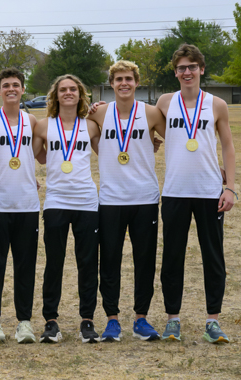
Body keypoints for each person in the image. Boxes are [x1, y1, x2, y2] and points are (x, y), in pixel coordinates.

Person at [154, 44, 236, 344]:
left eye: (192, 67)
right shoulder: (164, 102)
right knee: (172, 257)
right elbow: (136, 117)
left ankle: (212, 320)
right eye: (181, 68)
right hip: (175, 191)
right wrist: (98, 110)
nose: (186, 72)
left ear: (201, 69)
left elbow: (227, 146)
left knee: (213, 257)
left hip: (209, 191)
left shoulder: (216, 104)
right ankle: (172, 319)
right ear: (175, 72)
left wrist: (230, 187)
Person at [87, 61, 166, 342]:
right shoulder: (99, 113)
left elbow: (179, 139)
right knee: (109, 260)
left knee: (144, 261)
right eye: (118, 79)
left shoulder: (151, 112)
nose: (124, 83)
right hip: (110, 199)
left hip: (145, 198)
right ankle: (112, 320)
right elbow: (81, 138)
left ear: (137, 83)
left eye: (129, 79)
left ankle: (141, 318)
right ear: (111, 83)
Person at [31, 75, 101, 343]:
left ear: (81, 94)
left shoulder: (91, 126)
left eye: (73, 89)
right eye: (63, 89)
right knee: (54, 262)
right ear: (56, 95)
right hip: (56, 202)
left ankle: (87, 320)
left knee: (87, 262)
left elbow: (107, 151)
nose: (68, 93)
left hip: (86, 201)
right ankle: (51, 321)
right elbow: (34, 155)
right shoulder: (43, 126)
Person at [0, 68, 41, 345]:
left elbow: (38, 154)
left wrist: (28, 174)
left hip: (27, 204)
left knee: (25, 266)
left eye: (16, 84)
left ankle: (24, 322)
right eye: (6, 85)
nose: (11, 89)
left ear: (23, 89)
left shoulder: (33, 122)